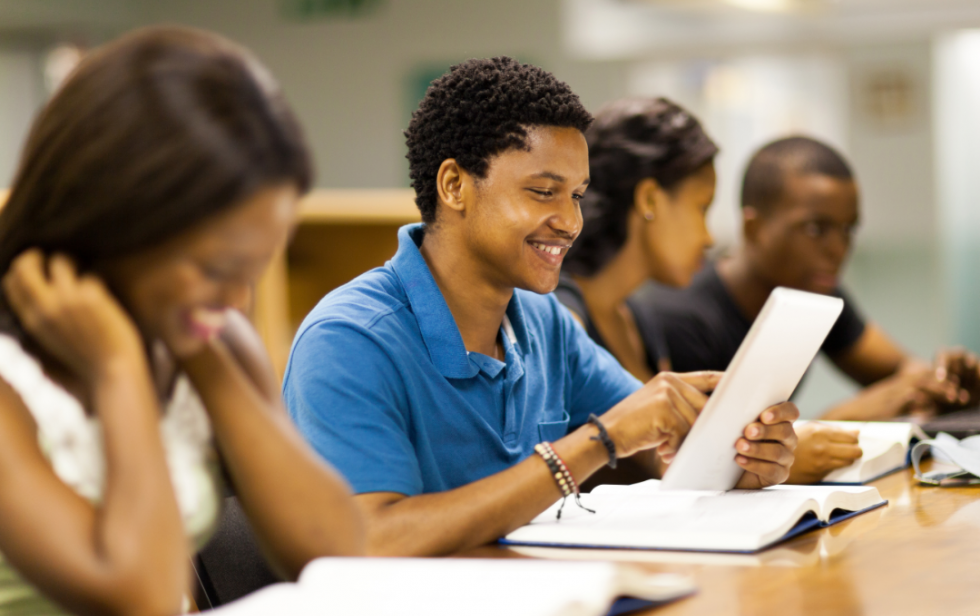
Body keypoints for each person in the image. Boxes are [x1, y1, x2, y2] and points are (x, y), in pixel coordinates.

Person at [283, 57, 799, 559]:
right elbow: (373, 541)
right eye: (543, 192)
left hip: (528, 614)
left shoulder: (543, 323)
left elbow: (662, 445)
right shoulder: (349, 339)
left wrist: (742, 460)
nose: (570, 221)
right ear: (454, 186)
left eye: (576, 195)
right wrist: (596, 442)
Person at [0, 27, 364, 616]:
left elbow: (331, 548)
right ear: (112, 222)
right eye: (215, 268)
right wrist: (118, 370)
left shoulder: (206, 335)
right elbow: (142, 603)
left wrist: (206, 353)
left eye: (253, 268)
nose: (235, 299)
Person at [557, 103, 862, 484]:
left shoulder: (639, 318)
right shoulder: (560, 317)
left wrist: (758, 458)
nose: (709, 237)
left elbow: (672, 461)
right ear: (650, 200)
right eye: (701, 208)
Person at [630, 136, 979, 433]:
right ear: (753, 228)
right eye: (816, 229)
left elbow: (906, 375)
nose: (838, 249)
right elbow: (711, 464)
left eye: (848, 230)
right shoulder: (682, 317)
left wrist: (950, 384)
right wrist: (838, 418)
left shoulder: (815, 296)